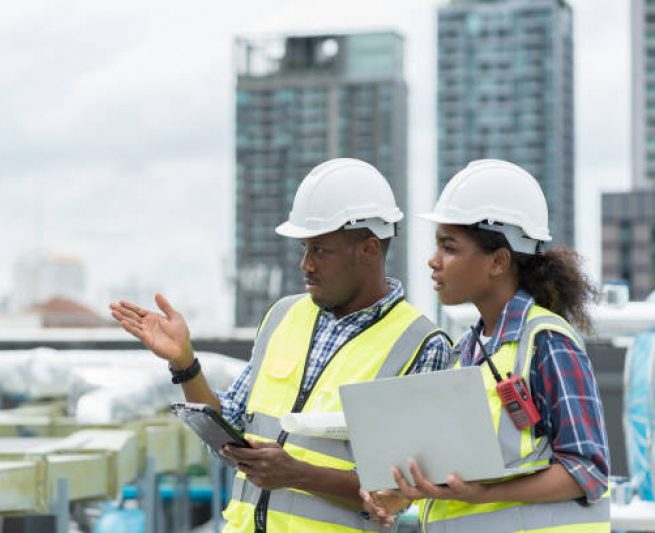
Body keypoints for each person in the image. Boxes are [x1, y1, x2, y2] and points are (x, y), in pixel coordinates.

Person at [110, 158, 453, 533]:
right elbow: (231, 424)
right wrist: (185, 363)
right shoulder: (283, 316)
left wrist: (297, 474)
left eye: (320, 250)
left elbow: (401, 491)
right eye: (304, 248)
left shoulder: (422, 344)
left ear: (369, 249)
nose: (305, 264)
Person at [360, 159, 610, 532]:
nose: (433, 261)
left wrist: (484, 495)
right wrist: (406, 495)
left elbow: (588, 471)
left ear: (499, 261)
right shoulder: (467, 351)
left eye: (449, 247)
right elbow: (464, 476)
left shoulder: (547, 343)